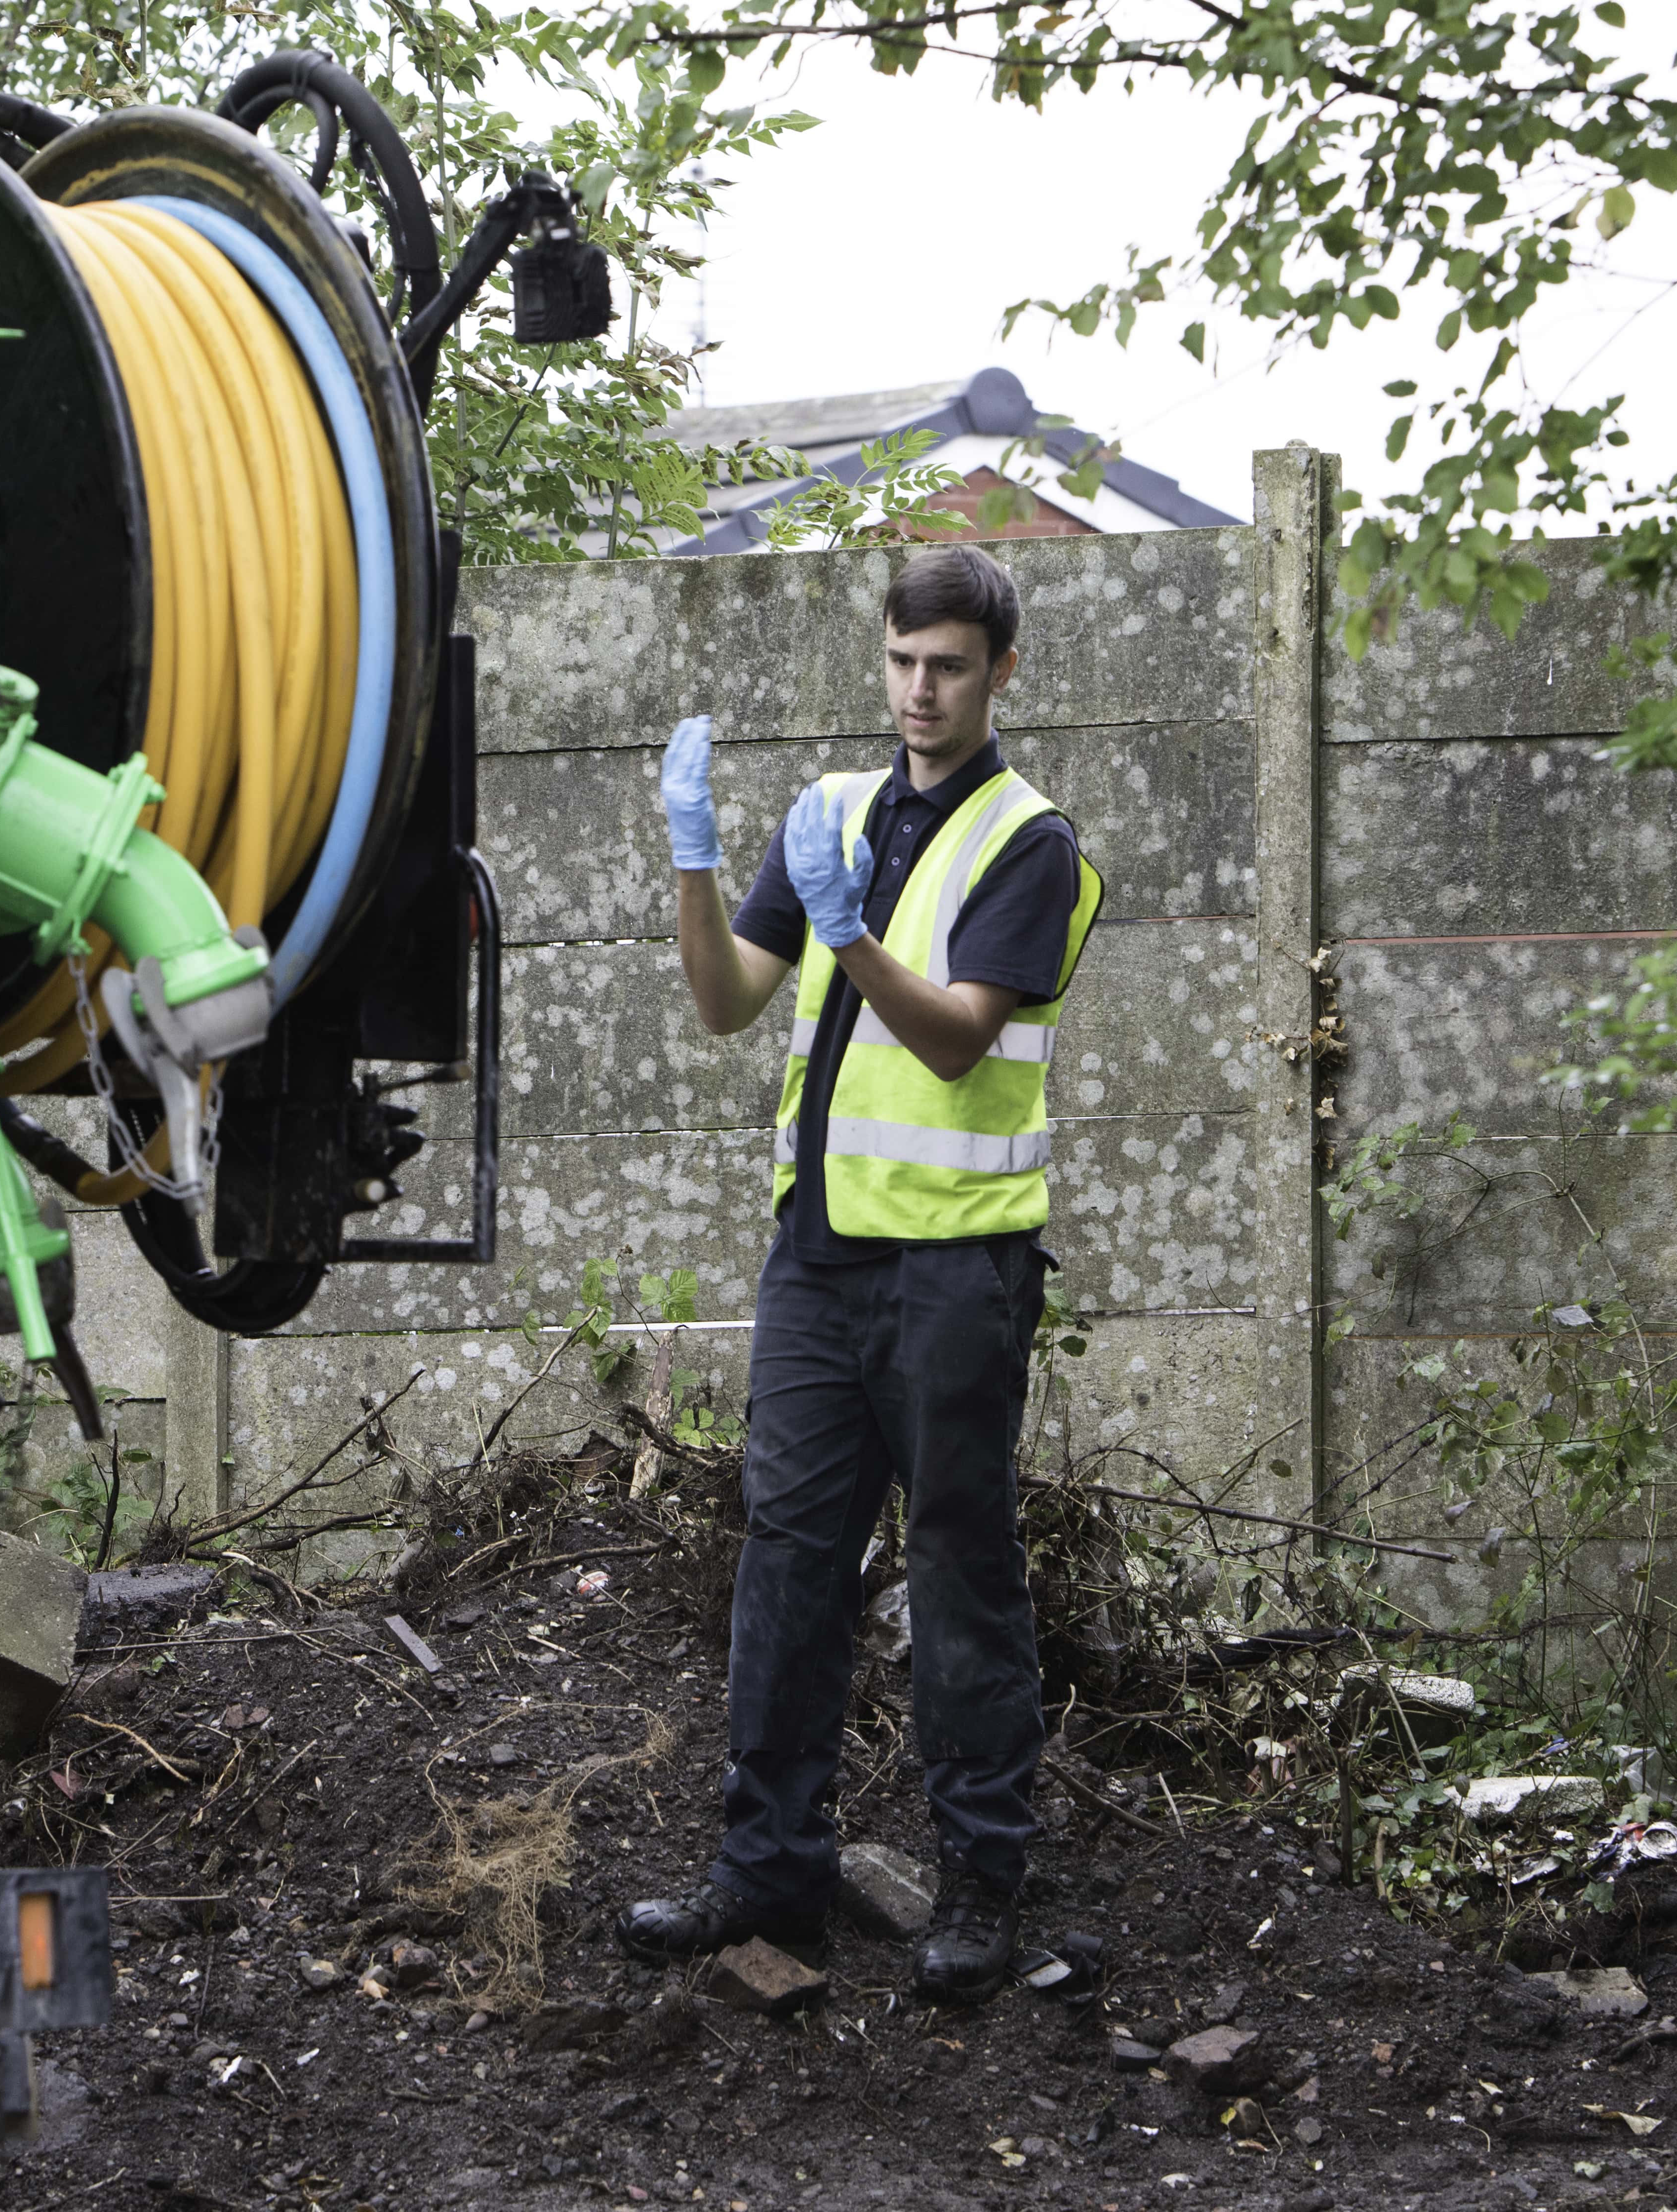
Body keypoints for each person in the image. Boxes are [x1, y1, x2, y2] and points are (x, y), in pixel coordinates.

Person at [621, 543, 1103, 2002]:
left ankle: (978, 1891)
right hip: (819, 1267)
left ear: (1000, 673)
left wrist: (851, 934)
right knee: (787, 1566)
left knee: (962, 1573)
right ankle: (768, 1873)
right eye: (901, 662)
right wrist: (700, 863)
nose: (919, 691)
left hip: (957, 1277)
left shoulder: (1036, 845)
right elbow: (723, 1005)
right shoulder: (829, 812)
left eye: (949, 667)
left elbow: (956, 1034)